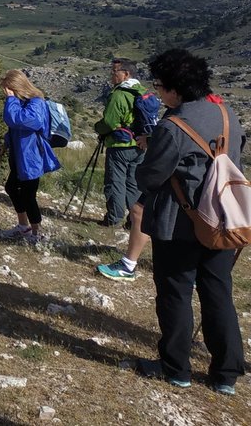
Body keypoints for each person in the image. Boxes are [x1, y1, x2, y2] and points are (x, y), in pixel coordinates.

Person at [134, 48, 245, 394]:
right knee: (218, 293)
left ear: (175, 89)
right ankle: (226, 374)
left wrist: (145, 151)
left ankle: (176, 368)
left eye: (160, 85)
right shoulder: (228, 114)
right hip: (223, 220)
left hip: (179, 223)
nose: (159, 92)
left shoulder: (172, 125)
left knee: (175, 293)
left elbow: (151, 176)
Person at [97, 91, 224, 281]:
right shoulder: (217, 111)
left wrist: (150, 145)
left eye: (160, 85)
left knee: (139, 210)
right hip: (207, 179)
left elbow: (172, 141)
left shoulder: (181, 111)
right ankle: (197, 269)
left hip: (174, 176)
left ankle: (129, 265)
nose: (159, 93)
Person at [0, 70, 61, 244]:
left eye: (8, 90)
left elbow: (22, 121)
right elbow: (14, 127)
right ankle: (23, 225)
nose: (6, 94)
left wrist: (11, 100)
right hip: (20, 154)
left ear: (16, 87)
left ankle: (35, 233)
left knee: (28, 195)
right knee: (11, 187)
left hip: (31, 156)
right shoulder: (21, 102)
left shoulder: (36, 102)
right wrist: (6, 142)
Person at [93, 58, 147, 227]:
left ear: (126, 74)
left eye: (114, 71)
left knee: (115, 181)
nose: (111, 75)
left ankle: (114, 219)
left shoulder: (119, 94)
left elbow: (109, 122)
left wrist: (98, 128)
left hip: (119, 145)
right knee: (134, 183)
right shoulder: (141, 92)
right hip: (139, 144)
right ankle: (134, 220)